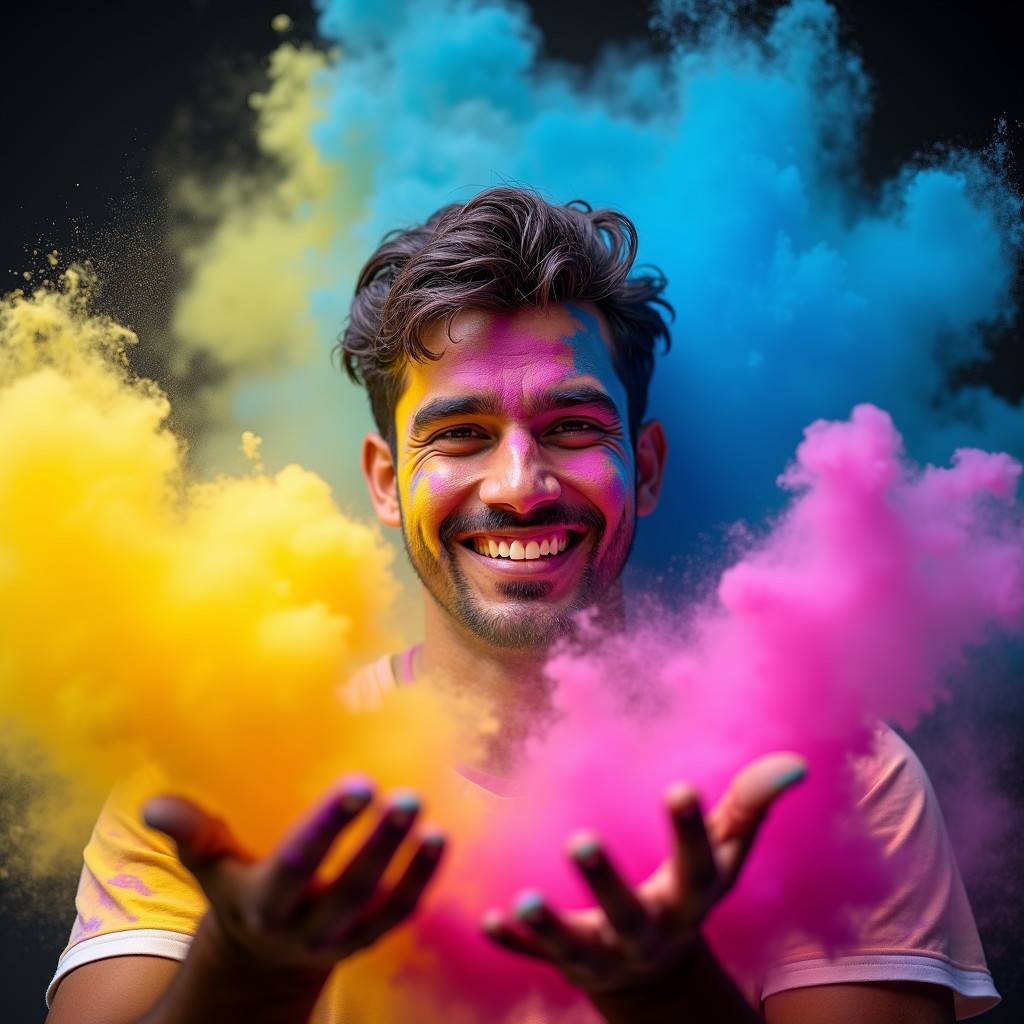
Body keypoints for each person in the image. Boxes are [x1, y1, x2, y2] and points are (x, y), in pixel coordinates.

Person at [45, 187, 1000, 1023]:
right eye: (459, 434)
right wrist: (250, 969)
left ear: (649, 466)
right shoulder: (224, 774)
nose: (519, 484)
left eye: (573, 427)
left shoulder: (835, 778)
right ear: (385, 483)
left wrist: (662, 992)